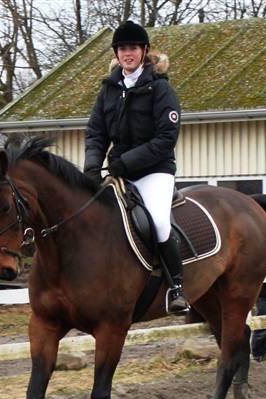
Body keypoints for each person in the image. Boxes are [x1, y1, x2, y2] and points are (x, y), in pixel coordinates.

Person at [84, 20, 187, 314]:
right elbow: (96, 132)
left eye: (132, 48)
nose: (127, 53)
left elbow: (166, 138)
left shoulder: (160, 89)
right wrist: (92, 165)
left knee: (157, 221)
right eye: (122, 49)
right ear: (117, 53)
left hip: (154, 171)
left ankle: (177, 287)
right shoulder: (109, 89)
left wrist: (124, 162)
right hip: (118, 172)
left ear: (144, 51)